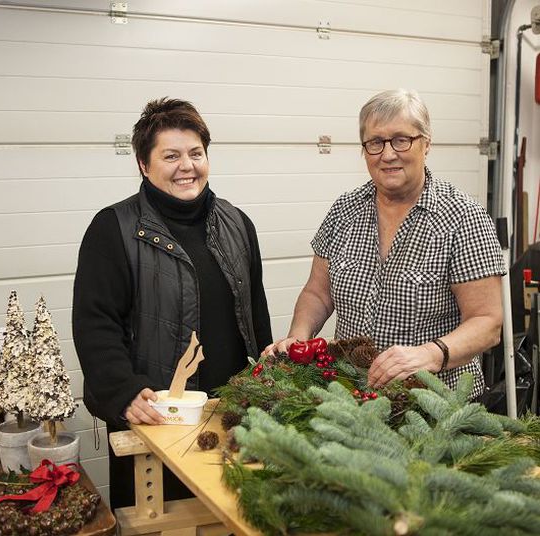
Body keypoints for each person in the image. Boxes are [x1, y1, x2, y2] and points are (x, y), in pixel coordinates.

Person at [73, 97, 272, 508]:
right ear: (144, 165)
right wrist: (122, 390)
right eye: (171, 155)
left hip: (231, 419)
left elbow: (256, 316)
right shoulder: (114, 229)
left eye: (196, 153)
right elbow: (96, 324)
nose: (187, 166)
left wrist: (266, 386)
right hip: (158, 422)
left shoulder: (238, 223)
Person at [266, 89, 505, 400]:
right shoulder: (344, 211)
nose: (388, 154)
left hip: (439, 405)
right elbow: (317, 293)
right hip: (352, 398)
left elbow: (487, 322)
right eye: (375, 143)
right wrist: (298, 340)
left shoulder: (463, 217)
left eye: (401, 140)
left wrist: (429, 355)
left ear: (426, 143)